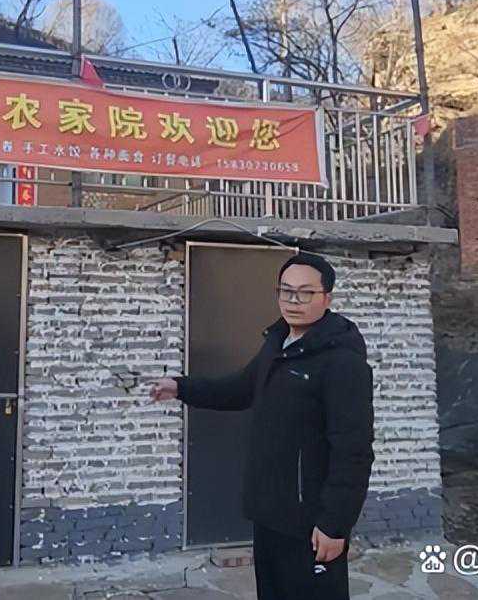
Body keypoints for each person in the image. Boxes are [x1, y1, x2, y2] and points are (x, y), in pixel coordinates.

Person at [149, 252, 375, 599]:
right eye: (286, 291)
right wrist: (180, 388)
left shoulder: (342, 362)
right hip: (269, 509)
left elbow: (353, 451)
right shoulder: (278, 344)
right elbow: (241, 388)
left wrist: (335, 524)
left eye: (305, 292)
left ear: (327, 298)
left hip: (311, 520)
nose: (293, 301)